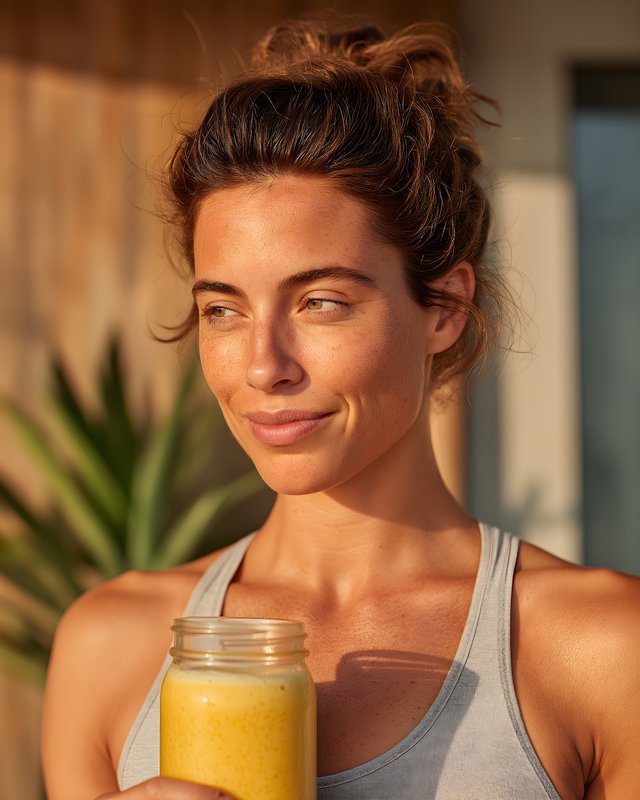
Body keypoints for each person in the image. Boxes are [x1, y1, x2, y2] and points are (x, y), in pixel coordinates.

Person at [41, 17, 640, 800]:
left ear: (444, 307)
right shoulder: (110, 646)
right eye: (224, 310)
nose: (263, 366)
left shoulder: (599, 650)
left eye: (321, 302)